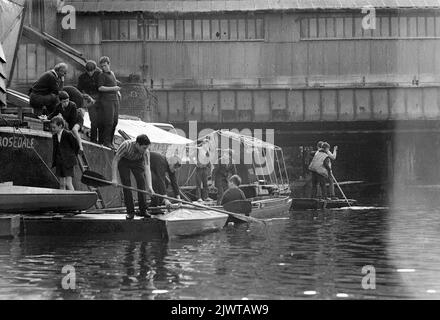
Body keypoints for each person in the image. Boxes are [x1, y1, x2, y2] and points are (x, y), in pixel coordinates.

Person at [111, 134, 154, 220]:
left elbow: (147, 168)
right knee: (127, 184)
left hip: (137, 162)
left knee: (141, 181)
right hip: (124, 161)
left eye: (146, 148)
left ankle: (143, 210)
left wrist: (150, 186)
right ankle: (130, 212)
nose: (145, 150)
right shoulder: (126, 145)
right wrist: (114, 178)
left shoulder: (146, 152)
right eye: (144, 148)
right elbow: (115, 160)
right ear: (137, 144)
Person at [50, 115, 79, 190]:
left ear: (60, 126)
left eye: (54, 127)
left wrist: (71, 156)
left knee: (68, 183)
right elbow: (55, 149)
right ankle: (63, 199)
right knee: (62, 184)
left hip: (68, 162)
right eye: (52, 127)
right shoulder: (55, 136)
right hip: (59, 162)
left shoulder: (68, 134)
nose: (52, 129)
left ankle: (72, 199)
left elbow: (76, 146)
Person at [97, 56, 121, 148]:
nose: (103, 68)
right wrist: (114, 88)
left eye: (105, 65)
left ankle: (110, 141)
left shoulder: (112, 74)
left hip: (115, 100)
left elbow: (113, 84)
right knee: (109, 122)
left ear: (109, 64)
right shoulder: (102, 75)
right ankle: (106, 141)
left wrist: (117, 91)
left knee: (115, 121)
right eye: (102, 66)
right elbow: (100, 88)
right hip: (107, 101)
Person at [77, 60, 102, 143]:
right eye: (88, 71)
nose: (90, 73)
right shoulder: (82, 77)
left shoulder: (100, 75)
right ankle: (93, 140)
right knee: (94, 121)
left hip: (101, 100)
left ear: (95, 69)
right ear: (86, 70)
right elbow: (79, 90)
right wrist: (85, 95)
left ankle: (102, 140)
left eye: (92, 71)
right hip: (90, 100)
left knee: (102, 121)